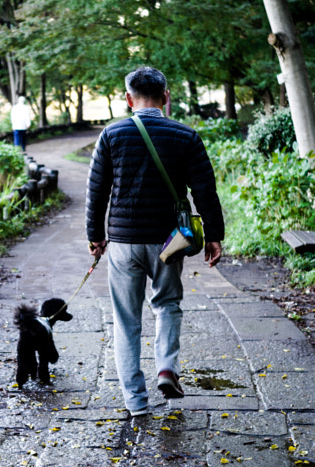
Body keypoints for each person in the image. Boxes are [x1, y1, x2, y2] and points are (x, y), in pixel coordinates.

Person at [85, 66, 224, 417]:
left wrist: (95, 236)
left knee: (126, 320)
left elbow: (97, 191)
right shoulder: (185, 135)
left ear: (129, 99)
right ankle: (166, 369)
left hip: (123, 241)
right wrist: (214, 235)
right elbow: (205, 190)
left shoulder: (112, 134)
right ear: (166, 98)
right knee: (167, 304)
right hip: (170, 241)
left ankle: (136, 403)